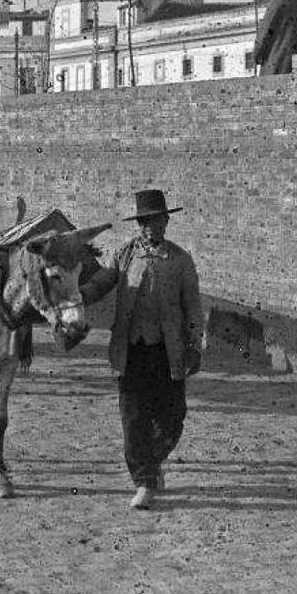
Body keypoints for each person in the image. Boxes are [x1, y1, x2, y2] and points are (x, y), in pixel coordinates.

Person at [79, 189, 202, 511]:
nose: (150, 227)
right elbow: (102, 283)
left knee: (173, 418)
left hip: (167, 351)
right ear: (139, 224)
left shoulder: (180, 260)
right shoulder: (124, 255)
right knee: (133, 418)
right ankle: (145, 482)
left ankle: (151, 461)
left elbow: (193, 308)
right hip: (130, 350)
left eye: (156, 220)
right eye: (144, 221)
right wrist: (78, 296)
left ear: (166, 221)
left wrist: (194, 347)